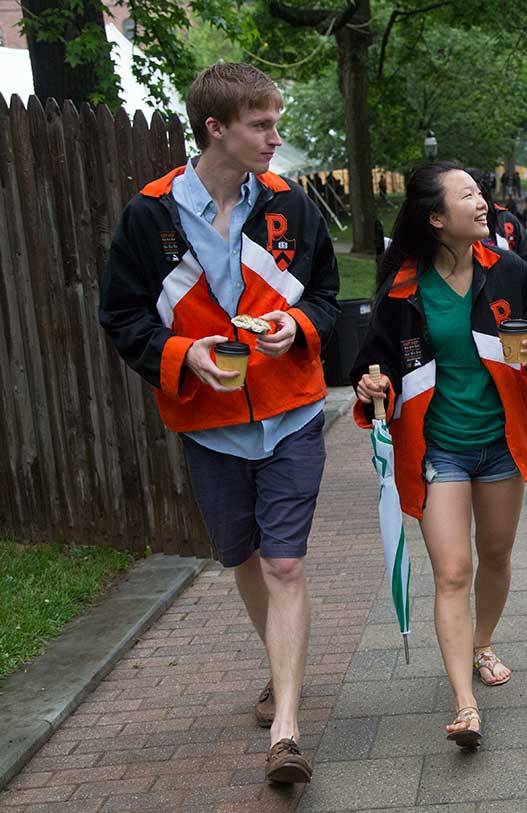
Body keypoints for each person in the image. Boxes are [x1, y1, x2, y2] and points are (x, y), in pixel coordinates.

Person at [99, 64, 338, 783]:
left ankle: (288, 729)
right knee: (242, 557)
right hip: (208, 425)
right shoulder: (150, 215)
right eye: (261, 124)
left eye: (275, 121)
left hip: (292, 413)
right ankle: (281, 668)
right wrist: (181, 352)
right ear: (216, 129)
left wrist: (293, 328)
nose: (275, 136)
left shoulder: (292, 206)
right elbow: (122, 315)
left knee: (284, 561)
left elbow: (326, 295)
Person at [350, 161, 527, 749]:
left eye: (480, 192)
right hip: (438, 447)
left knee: (495, 554)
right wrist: (372, 385)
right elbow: (375, 362)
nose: (481, 201)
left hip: (500, 442)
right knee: (452, 571)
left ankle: (482, 641)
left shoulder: (509, 270)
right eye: (466, 194)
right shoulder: (401, 288)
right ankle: (465, 705)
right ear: (437, 217)